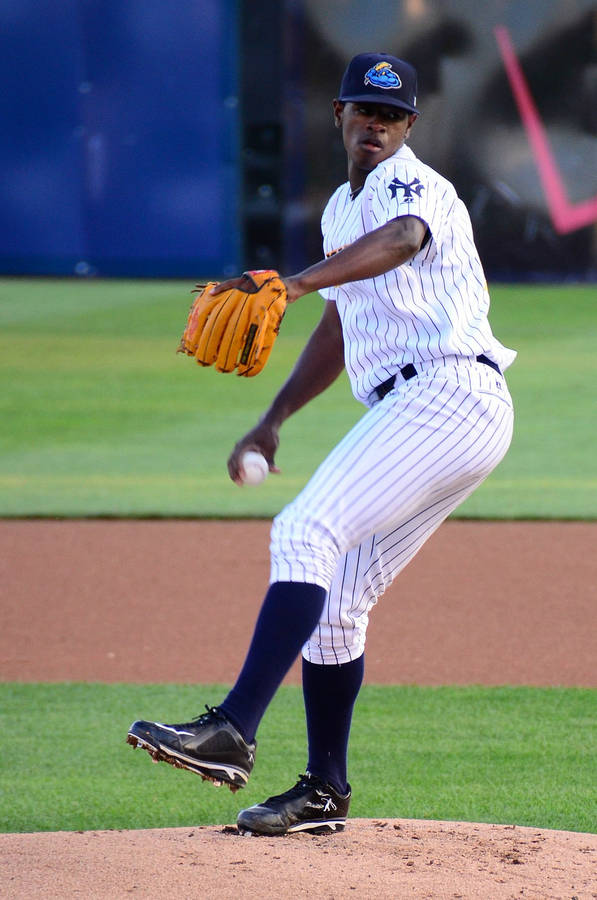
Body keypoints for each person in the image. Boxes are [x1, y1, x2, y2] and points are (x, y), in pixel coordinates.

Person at [127, 52, 516, 836]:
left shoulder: (411, 188)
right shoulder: (343, 210)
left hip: (447, 390)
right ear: (338, 115)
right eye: (361, 111)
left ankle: (233, 727)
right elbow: (343, 323)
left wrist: (297, 283)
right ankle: (323, 791)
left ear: (407, 125)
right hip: (443, 407)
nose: (374, 125)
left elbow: (405, 237)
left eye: (390, 115)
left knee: (304, 529)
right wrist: (273, 419)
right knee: (337, 604)